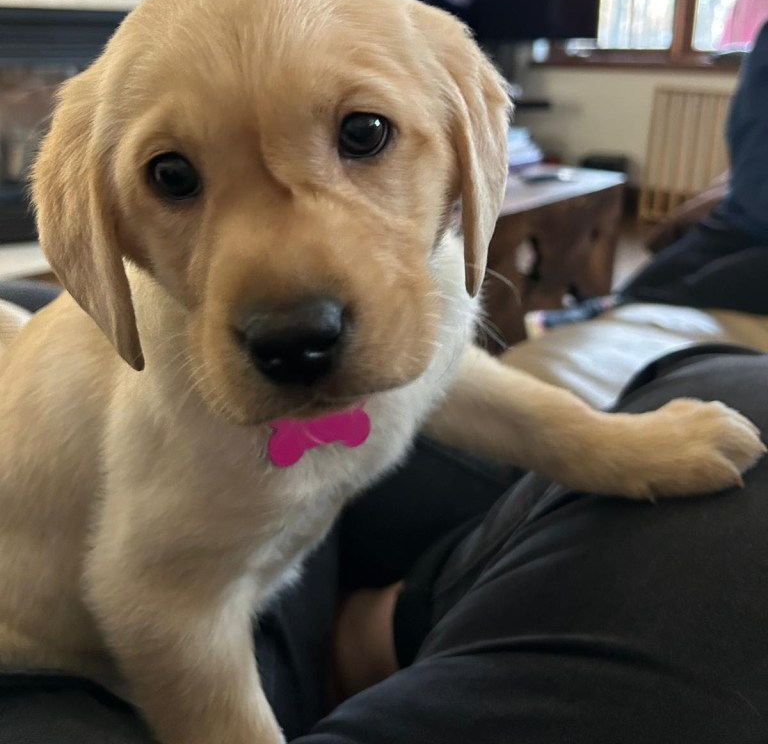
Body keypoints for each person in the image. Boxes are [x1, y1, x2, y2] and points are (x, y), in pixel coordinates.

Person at [2, 341, 768, 743]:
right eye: (175, 178)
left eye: (363, 136)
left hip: (255, 577)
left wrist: (600, 441)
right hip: (68, 652)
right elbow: (156, 601)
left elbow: (440, 369)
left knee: (741, 390)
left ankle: (365, 636)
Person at [527, 20, 768, 334]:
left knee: (686, 288)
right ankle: (617, 305)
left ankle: (622, 309)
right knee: (654, 278)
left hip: (750, 216)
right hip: (742, 213)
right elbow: (749, 142)